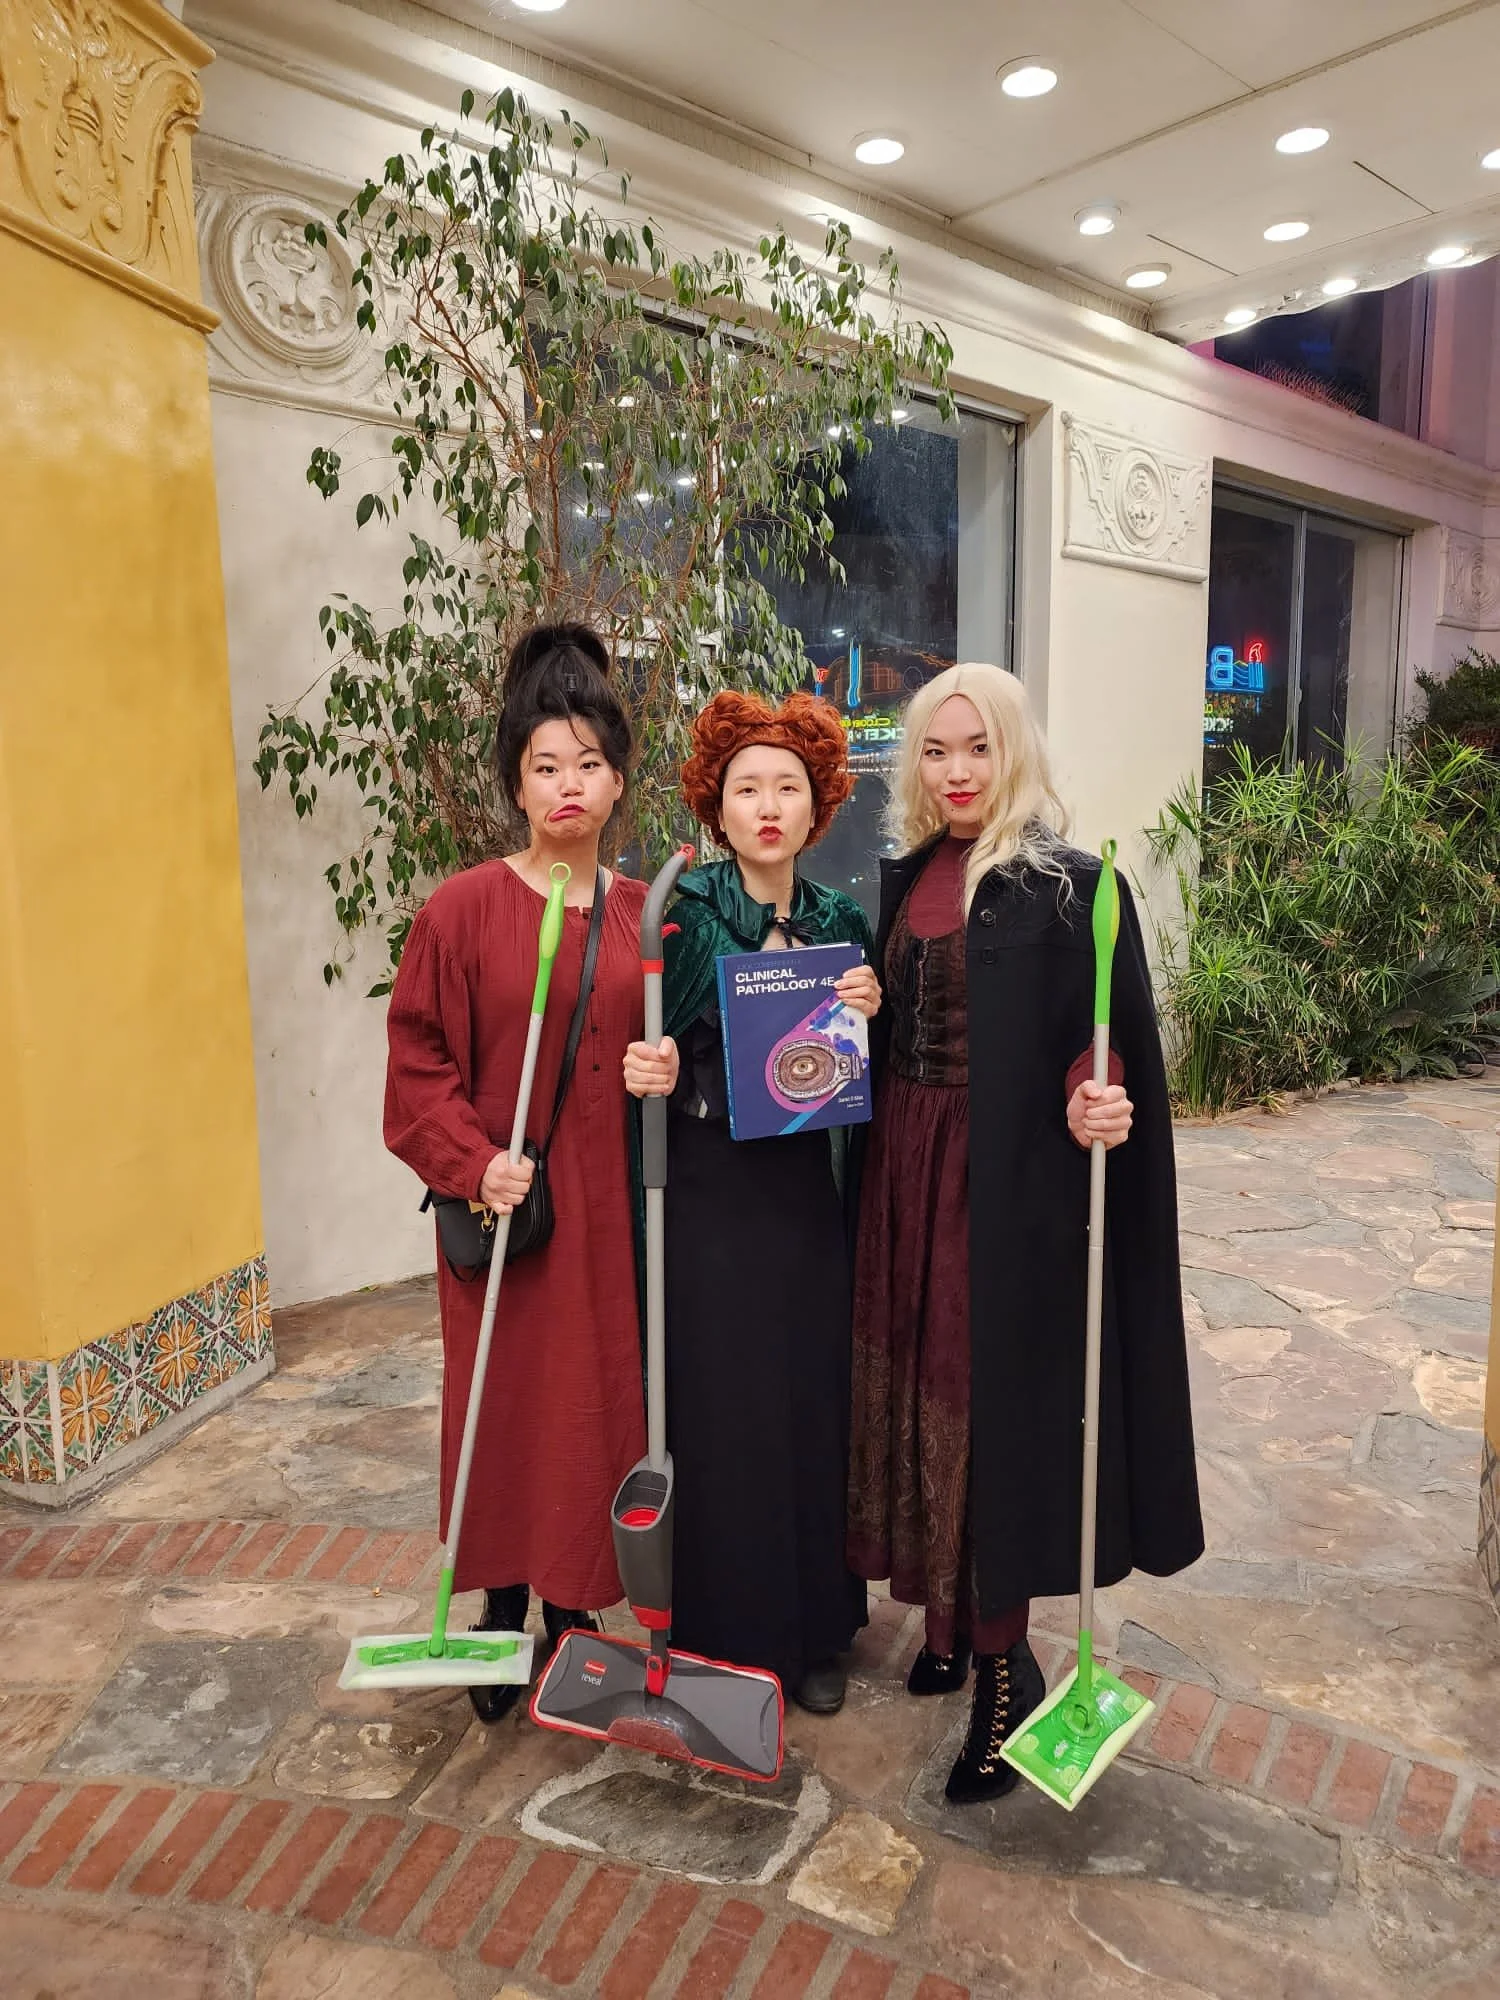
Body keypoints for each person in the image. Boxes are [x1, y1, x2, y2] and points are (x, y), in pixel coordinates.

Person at [848, 663, 1203, 1803]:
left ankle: (1005, 1666)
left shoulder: (1067, 889)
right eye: (936, 751)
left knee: (982, 1406)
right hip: (906, 1168)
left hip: (998, 1188)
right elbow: (894, 1023)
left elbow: (1098, 1038)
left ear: (1014, 753)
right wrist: (859, 1006)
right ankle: (947, 1619)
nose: (956, 771)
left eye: (978, 748)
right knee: (918, 1395)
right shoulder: (906, 876)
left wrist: (1093, 1089)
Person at [384, 624, 677, 1726]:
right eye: (546, 765)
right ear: (515, 780)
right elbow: (416, 1065)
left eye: (589, 764)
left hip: (611, 1223)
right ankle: (501, 1600)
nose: (569, 785)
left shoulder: (647, 911)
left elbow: (678, 1039)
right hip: (509, 1216)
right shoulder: (460, 912)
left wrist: (671, 1060)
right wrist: (473, 1162)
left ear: (617, 780)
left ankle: (572, 1602)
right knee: (504, 1408)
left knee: (597, 1407)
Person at [646, 690, 879, 1715]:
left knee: (806, 1401)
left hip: (803, 1198)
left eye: (789, 786)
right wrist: (651, 1062)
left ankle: (814, 1627)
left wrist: (870, 1005)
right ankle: (723, 1628)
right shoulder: (684, 917)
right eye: (749, 788)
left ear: (819, 803)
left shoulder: (841, 921)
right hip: (710, 1197)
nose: (769, 805)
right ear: (717, 804)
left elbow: (867, 1077)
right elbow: (650, 1037)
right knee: (722, 1406)